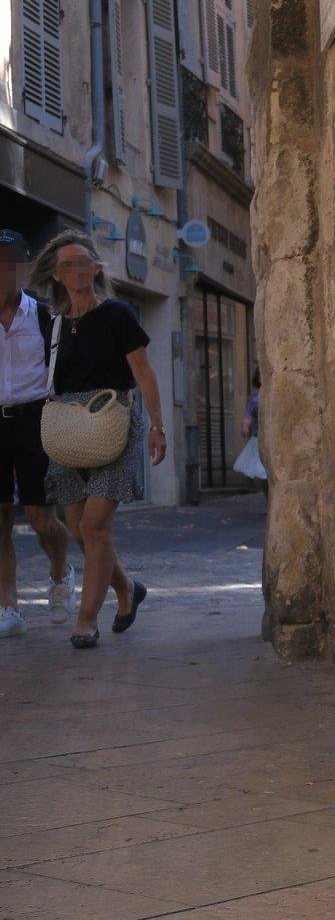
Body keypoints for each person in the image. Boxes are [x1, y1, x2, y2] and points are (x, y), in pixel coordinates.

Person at [30, 232, 167, 649]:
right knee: (76, 527)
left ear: (96, 269)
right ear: (56, 274)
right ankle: (126, 588)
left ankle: (86, 620)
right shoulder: (53, 322)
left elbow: (143, 371)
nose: (76, 270)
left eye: (84, 262)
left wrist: (158, 427)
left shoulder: (118, 314)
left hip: (112, 419)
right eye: (68, 264)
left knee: (96, 527)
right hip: (69, 427)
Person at [0, 231, 73, 636]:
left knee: (42, 519)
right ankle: (8, 606)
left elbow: (63, 368)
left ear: (24, 268)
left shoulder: (46, 316)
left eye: (10, 261)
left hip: (35, 421)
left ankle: (61, 572)